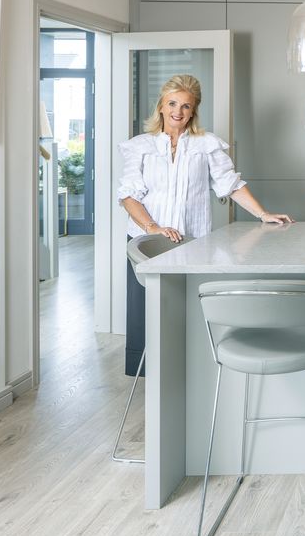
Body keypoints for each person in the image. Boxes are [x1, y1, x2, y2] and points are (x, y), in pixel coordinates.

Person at [117, 74, 293, 375]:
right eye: (173, 103)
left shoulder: (205, 145)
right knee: (147, 312)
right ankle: (149, 375)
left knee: (187, 308)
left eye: (186, 106)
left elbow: (230, 184)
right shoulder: (140, 146)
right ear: (161, 105)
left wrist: (262, 214)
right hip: (148, 244)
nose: (178, 112)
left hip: (192, 242)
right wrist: (153, 228)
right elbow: (128, 197)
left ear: (193, 111)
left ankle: (188, 371)